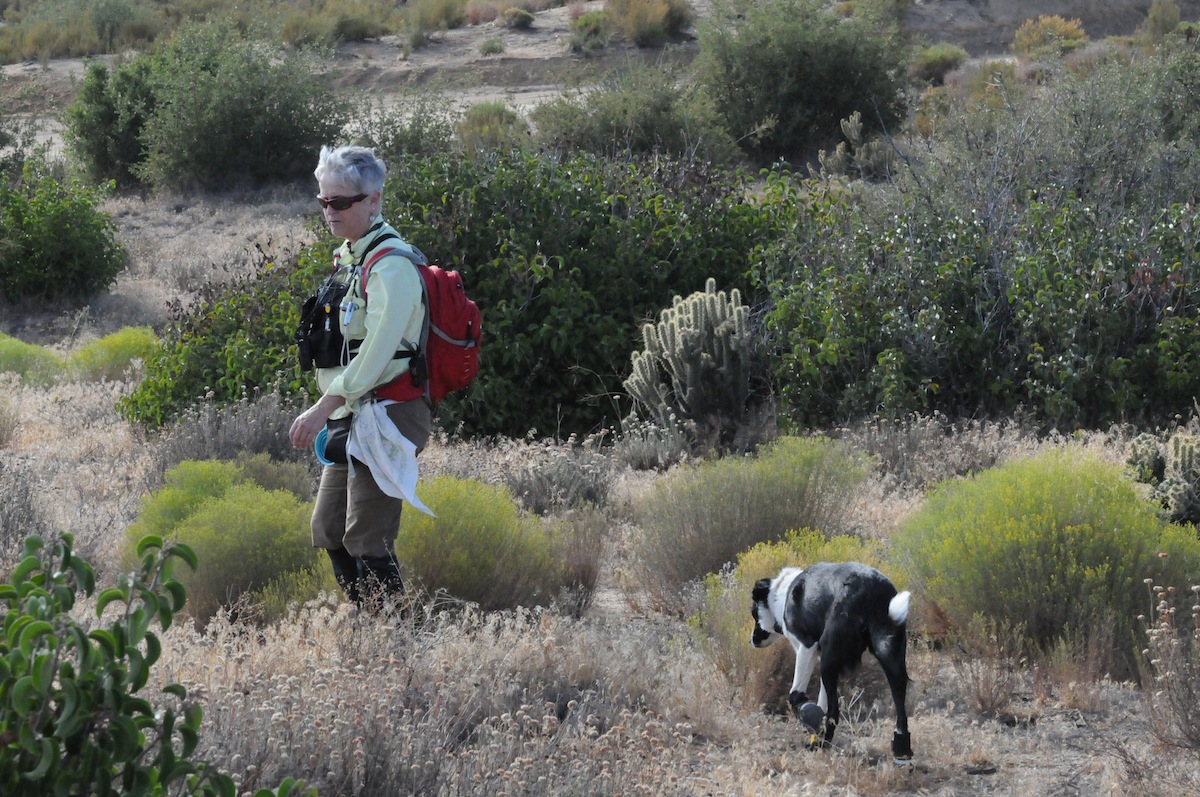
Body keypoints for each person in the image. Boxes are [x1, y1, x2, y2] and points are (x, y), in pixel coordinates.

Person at [289, 145, 431, 610]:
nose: (329, 211)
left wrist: (323, 406)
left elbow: (375, 355)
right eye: (323, 201)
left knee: (367, 537)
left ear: (373, 200)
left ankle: (396, 633)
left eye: (340, 202)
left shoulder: (391, 266)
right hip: (350, 413)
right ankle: (369, 622)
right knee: (329, 529)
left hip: (388, 413)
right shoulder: (351, 257)